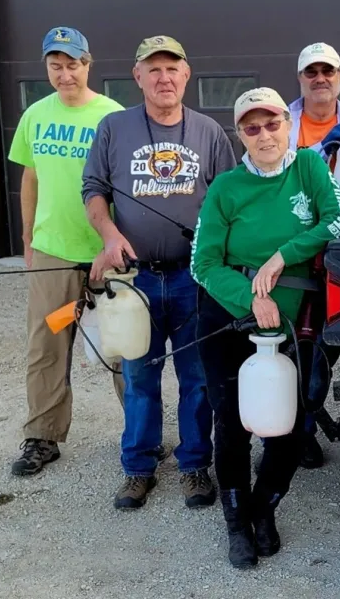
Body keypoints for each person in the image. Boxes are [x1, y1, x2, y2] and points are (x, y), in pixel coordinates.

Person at [189, 87, 340, 568]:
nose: (264, 134)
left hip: (296, 324)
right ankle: (237, 519)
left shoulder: (309, 168)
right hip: (227, 316)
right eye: (251, 127)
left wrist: (286, 254)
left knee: (288, 423)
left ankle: (266, 508)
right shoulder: (225, 188)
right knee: (233, 424)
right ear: (240, 133)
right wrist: (251, 298)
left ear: (288, 122)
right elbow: (203, 264)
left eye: (272, 123)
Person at [81, 35, 237, 510]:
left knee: (197, 378)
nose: (164, 78)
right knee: (140, 375)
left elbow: (228, 198)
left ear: (187, 75)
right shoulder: (114, 128)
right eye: (154, 69)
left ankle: (194, 466)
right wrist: (109, 236)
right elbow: (93, 188)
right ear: (138, 77)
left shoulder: (209, 131)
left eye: (173, 69)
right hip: (136, 281)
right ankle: (137, 467)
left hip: (194, 279)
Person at [8, 26, 125, 477]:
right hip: (53, 251)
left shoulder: (111, 116)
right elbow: (30, 179)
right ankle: (42, 436)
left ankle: (141, 433)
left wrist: (118, 242)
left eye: (72, 64)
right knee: (47, 345)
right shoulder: (35, 115)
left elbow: (125, 186)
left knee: (122, 345)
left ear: (87, 64)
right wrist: (27, 240)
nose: (64, 73)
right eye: (55, 66)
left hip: (103, 253)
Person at [285, 41, 340, 468]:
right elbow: (280, 181)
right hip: (289, 250)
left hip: (335, 254)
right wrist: (321, 152)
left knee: (324, 347)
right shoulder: (280, 122)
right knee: (285, 345)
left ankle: (304, 427)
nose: (320, 79)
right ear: (301, 78)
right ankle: (279, 433)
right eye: (311, 72)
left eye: (329, 71)